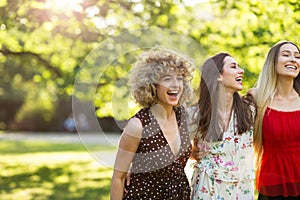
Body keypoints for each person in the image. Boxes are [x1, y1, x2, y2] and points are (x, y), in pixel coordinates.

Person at [110, 47, 196, 199]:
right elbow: (118, 178)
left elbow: (176, 160)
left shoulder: (183, 116)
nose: (176, 84)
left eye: (180, 78)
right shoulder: (137, 126)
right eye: (167, 78)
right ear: (152, 85)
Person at [189, 53, 255, 199]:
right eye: (233, 67)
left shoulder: (250, 111)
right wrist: (193, 153)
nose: (241, 70)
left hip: (241, 190)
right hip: (208, 189)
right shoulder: (195, 114)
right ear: (218, 75)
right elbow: (176, 150)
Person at [249, 41, 300, 199]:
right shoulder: (257, 97)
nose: (293, 59)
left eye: (297, 57)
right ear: (272, 62)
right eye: (286, 55)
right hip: (271, 184)